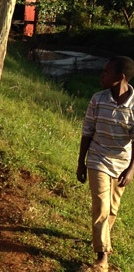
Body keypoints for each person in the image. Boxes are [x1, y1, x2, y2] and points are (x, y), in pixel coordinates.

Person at [76, 56, 134, 272]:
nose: (101, 75)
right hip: (98, 158)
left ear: (120, 78)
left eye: (106, 72)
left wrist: (131, 170)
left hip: (122, 164)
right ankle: (102, 259)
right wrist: (81, 162)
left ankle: (102, 240)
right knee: (101, 207)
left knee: (112, 210)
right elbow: (87, 131)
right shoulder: (97, 99)